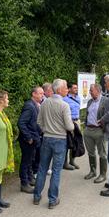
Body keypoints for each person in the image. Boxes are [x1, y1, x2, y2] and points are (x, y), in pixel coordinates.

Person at [33, 79, 74, 209]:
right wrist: (72, 126)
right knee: (56, 170)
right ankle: (52, 199)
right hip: (60, 140)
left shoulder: (45, 103)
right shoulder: (64, 105)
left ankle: (37, 196)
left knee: (42, 168)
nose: (67, 89)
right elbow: (69, 126)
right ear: (60, 89)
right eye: (66, 87)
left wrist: (46, 130)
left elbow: (39, 122)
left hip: (46, 138)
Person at [18, 86, 44, 194]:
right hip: (27, 140)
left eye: (43, 93)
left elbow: (34, 123)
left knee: (30, 160)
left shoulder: (35, 105)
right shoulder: (29, 106)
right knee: (25, 161)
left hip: (34, 139)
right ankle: (24, 183)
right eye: (40, 93)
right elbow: (21, 123)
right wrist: (28, 137)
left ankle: (30, 178)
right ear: (34, 94)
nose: (42, 96)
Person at [83, 84, 108, 183]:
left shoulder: (105, 101)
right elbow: (88, 114)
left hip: (99, 130)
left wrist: (104, 128)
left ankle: (103, 175)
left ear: (98, 91)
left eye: (91, 90)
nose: (89, 92)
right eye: (90, 90)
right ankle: (93, 171)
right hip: (89, 130)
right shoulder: (90, 101)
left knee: (102, 153)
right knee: (91, 152)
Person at [63, 83, 81, 170]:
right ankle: (65, 162)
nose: (76, 89)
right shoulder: (64, 99)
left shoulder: (78, 98)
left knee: (76, 142)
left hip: (77, 121)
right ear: (69, 89)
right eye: (74, 88)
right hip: (69, 121)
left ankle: (72, 160)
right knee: (68, 142)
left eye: (77, 88)